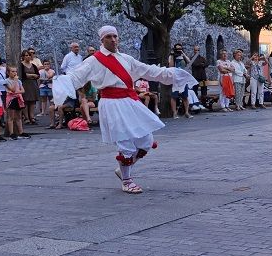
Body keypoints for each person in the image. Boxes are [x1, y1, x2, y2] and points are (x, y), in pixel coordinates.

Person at [52, 25, 193, 193]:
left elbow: (147, 70)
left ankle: (123, 169)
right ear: (101, 40)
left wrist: (171, 73)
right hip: (111, 103)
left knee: (146, 140)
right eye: (108, 37)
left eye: (115, 36)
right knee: (125, 142)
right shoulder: (93, 60)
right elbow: (76, 76)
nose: (113, 39)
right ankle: (127, 180)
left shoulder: (126, 58)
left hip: (129, 101)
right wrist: (61, 81)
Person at [4, 65, 31, 139]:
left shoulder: (19, 81)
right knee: (11, 117)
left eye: (15, 71)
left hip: (18, 99)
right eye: (12, 71)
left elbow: (22, 91)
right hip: (11, 99)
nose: (15, 73)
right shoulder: (6, 81)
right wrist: (15, 82)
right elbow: (12, 89)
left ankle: (21, 132)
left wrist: (16, 91)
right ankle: (11, 133)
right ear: (8, 72)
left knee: (19, 117)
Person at [20, 49, 39, 123]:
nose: (28, 57)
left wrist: (30, 75)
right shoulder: (21, 65)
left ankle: (32, 116)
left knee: (32, 101)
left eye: (29, 55)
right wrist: (32, 75)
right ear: (23, 56)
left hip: (33, 84)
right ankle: (26, 117)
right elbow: (23, 75)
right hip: (25, 84)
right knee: (25, 101)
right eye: (26, 55)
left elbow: (37, 75)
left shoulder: (33, 65)